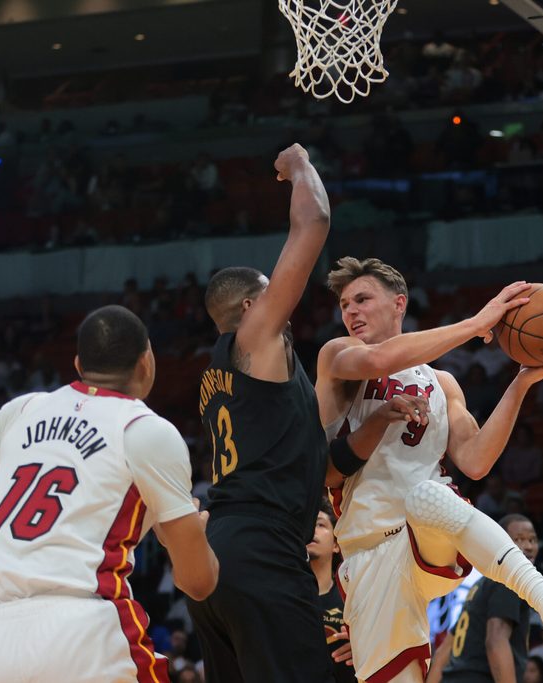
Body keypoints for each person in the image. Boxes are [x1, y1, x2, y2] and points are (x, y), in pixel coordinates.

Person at [316, 257, 543, 683]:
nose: (351, 311)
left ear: (399, 304)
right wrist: (476, 323)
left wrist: (520, 383)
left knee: (429, 494)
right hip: (368, 552)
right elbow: (380, 360)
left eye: (362, 299)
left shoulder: (442, 383)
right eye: (344, 304)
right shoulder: (338, 356)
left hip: (426, 534)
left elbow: (475, 460)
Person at [0, 305, 219, 683]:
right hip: (82, 630)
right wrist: (193, 533)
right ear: (147, 362)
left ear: (77, 363)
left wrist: (9, 486)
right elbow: (199, 583)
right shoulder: (147, 430)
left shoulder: (23, 409)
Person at [184, 143, 337, 683]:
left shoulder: (221, 379)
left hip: (219, 559)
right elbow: (313, 223)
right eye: (273, 297)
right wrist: (298, 165)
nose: (286, 306)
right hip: (261, 553)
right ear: (249, 308)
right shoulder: (254, 340)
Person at [429, 514, 540, 683]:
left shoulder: (480, 585)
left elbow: (443, 652)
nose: (528, 546)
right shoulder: (508, 579)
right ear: (499, 545)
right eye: (519, 540)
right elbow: (496, 640)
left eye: (532, 540)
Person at [309, 499, 357, 683]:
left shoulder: (352, 596)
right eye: (306, 526)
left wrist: (363, 646)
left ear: (336, 545)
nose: (310, 531)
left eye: (320, 524)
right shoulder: (282, 597)